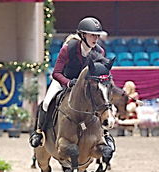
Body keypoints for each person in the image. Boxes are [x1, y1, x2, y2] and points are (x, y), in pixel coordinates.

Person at [30, 17, 115, 150]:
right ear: (83, 35)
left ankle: (104, 135)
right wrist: (68, 83)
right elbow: (56, 73)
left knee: (99, 103)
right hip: (64, 80)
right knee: (46, 103)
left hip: (84, 86)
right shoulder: (68, 49)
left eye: (97, 35)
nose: (95, 39)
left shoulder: (99, 52)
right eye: (92, 35)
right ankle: (39, 133)